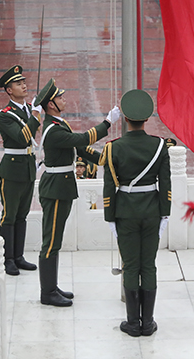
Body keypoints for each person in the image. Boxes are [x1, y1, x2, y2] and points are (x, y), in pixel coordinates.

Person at [34, 78, 117, 306]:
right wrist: (107, 123)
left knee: (55, 241)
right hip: (56, 189)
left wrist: (103, 159)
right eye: (60, 97)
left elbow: (80, 148)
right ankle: (47, 292)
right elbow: (82, 138)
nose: (64, 99)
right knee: (50, 242)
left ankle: (52, 286)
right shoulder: (53, 130)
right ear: (51, 104)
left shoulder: (59, 124)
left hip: (62, 186)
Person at [102, 89, 171, 337]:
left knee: (131, 266)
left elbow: (109, 185)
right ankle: (148, 322)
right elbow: (166, 182)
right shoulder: (159, 145)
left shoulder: (114, 148)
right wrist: (165, 213)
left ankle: (132, 323)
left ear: (126, 119)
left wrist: (110, 216)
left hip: (125, 213)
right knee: (148, 265)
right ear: (146, 118)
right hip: (152, 211)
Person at [0, 65, 42, 275]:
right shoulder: (4, 115)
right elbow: (22, 137)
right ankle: (8, 259)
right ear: (8, 90)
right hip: (12, 170)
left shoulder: (30, 109)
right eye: (18, 84)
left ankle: (19, 256)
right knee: (9, 215)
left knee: (23, 215)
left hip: (28, 168)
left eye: (24, 82)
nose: (23, 86)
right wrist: (34, 116)